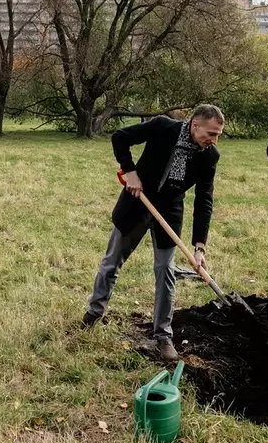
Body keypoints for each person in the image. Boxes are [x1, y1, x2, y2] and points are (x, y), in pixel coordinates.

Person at [83, 105, 224, 362]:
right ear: (195, 124)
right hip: (138, 202)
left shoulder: (209, 156)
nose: (213, 140)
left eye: (218, 135)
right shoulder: (163, 127)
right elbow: (120, 138)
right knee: (112, 261)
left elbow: (204, 200)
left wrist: (199, 247)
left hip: (169, 211)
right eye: (211, 133)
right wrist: (131, 172)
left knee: (165, 271)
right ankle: (93, 314)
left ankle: (163, 335)